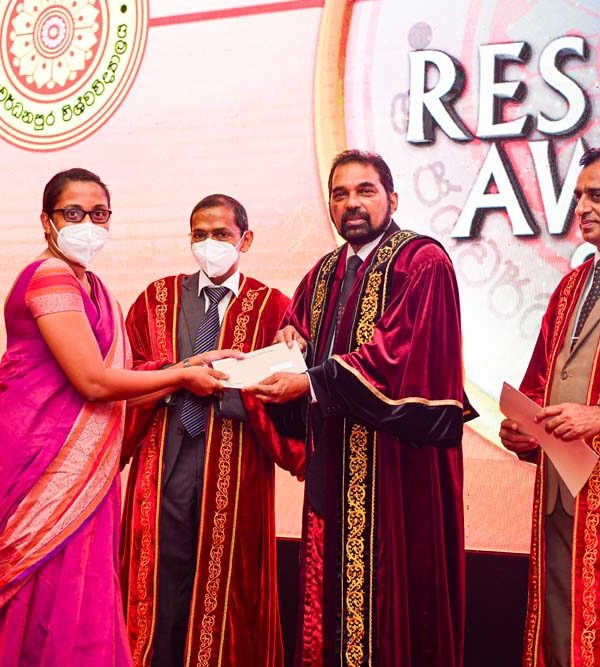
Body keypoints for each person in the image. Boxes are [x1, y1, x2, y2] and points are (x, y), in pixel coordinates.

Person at [247, 150, 475, 666]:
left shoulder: (422, 262)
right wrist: (289, 344)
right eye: (340, 193)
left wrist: (309, 381)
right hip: (334, 471)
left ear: (392, 198)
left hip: (398, 474)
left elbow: (399, 359)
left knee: (394, 610)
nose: (351, 203)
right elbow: (297, 334)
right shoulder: (323, 272)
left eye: (365, 191)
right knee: (327, 614)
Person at [0, 169, 231, 666]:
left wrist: (188, 365)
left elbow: (116, 376)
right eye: (73, 213)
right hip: (43, 462)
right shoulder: (50, 276)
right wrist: (181, 377)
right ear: (46, 221)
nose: (87, 224)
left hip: (83, 468)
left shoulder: (95, 287)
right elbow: (94, 382)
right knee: (43, 599)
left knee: (81, 597)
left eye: (98, 213)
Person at [119, 194, 305, 667]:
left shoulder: (274, 308)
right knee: (158, 584)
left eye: (221, 234)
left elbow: (291, 394)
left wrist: (289, 356)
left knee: (228, 586)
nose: (210, 244)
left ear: (246, 239)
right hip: (163, 459)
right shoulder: (156, 299)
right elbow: (125, 375)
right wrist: (178, 375)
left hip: (237, 464)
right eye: (200, 234)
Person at [500, 147, 600, 667]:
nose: (581, 208)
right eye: (578, 196)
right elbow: (540, 382)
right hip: (564, 491)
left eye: (595, 195)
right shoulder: (571, 286)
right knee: (561, 632)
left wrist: (597, 417)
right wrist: (524, 431)